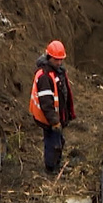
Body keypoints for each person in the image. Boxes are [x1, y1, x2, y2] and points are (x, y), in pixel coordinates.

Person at [29, 40, 76, 173]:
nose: (59, 63)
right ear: (49, 57)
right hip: (49, 119)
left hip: (56, 116)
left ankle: (57, 164)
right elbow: (46, 103)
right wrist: (54, 121)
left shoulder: (57, 71)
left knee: (59, 141)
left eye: (61, 60)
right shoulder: (44, 76)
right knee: (53, 144)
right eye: (56, 60)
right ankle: (51, 168)